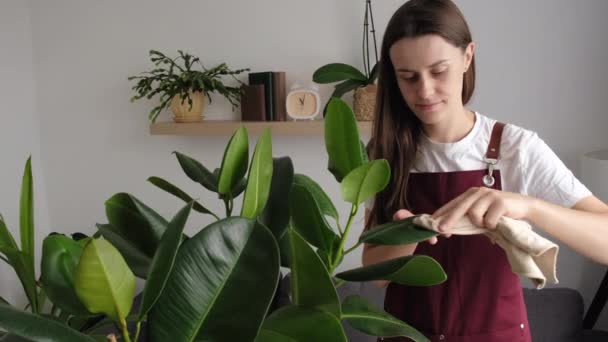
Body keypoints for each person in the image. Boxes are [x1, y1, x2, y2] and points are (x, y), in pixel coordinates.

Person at [362, 0, 608, 341]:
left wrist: (527, 206)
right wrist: (409, 235)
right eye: (408, 77)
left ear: (467, 57)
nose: (425, 91)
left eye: (438, 71)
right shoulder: (384, 152)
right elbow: (374, 271)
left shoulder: (515, 147)